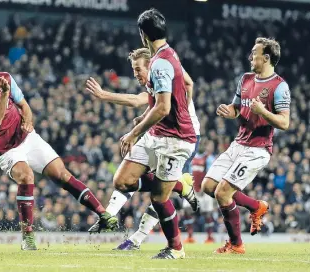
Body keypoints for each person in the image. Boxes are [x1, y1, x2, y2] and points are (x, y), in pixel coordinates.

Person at [0, 47, 118, 251]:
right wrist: (4, 94)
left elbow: (25, 105)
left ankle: (102, 214)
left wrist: (28, 120)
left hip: (26, 137)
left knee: (62, 174)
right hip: (5, 149)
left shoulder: (5, 77)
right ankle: (28, 237)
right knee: (26, 177)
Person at [85, 47, 200, 250]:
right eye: (134, 69)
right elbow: (144, 101)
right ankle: (180, 185)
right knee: (123, 180)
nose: (135, 74)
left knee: (159, 195)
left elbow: (145, 100)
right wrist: (146, 115)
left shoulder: (164, 71)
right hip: (157, 133)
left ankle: (137, 239)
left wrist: (104, 95)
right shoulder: (153, 83)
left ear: (151, 66)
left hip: (181, 137)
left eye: (138, 69)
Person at [202, 37, 290, 254]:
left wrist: (263, 112)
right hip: (238, 143)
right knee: (207, 187)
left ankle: (236, 244)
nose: (251, 56)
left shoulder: (279, 86)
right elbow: (236, 108)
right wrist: (228, 111)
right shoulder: (246, 79)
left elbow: (285, 123)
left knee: (223, 193)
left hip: (258, 149)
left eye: (255, 52)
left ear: (266, 57)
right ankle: (255, 206)